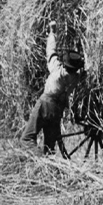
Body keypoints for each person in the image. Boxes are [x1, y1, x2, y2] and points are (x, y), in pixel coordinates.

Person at [20, 21, 85, 154]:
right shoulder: (76, 78)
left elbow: (51, 52)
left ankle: (41, 161)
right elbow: (84, 73)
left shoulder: (57, 70)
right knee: (49, 146)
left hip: (45, 104)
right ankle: (48, 163)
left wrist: (52, 33)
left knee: (26, 139)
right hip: (58, 110)